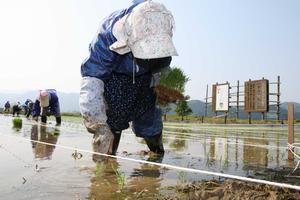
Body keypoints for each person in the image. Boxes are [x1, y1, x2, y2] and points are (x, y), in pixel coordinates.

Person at [80, 0, 177, 156]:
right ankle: (108, 163)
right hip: (115, 79)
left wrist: (164, 87)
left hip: (145, 78)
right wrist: (98, 125)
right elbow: (92, 78)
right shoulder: (108, 35)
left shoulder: (161, 27)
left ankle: (157, 155)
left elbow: (163, 68)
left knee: (149, 118)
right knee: (113, 119)